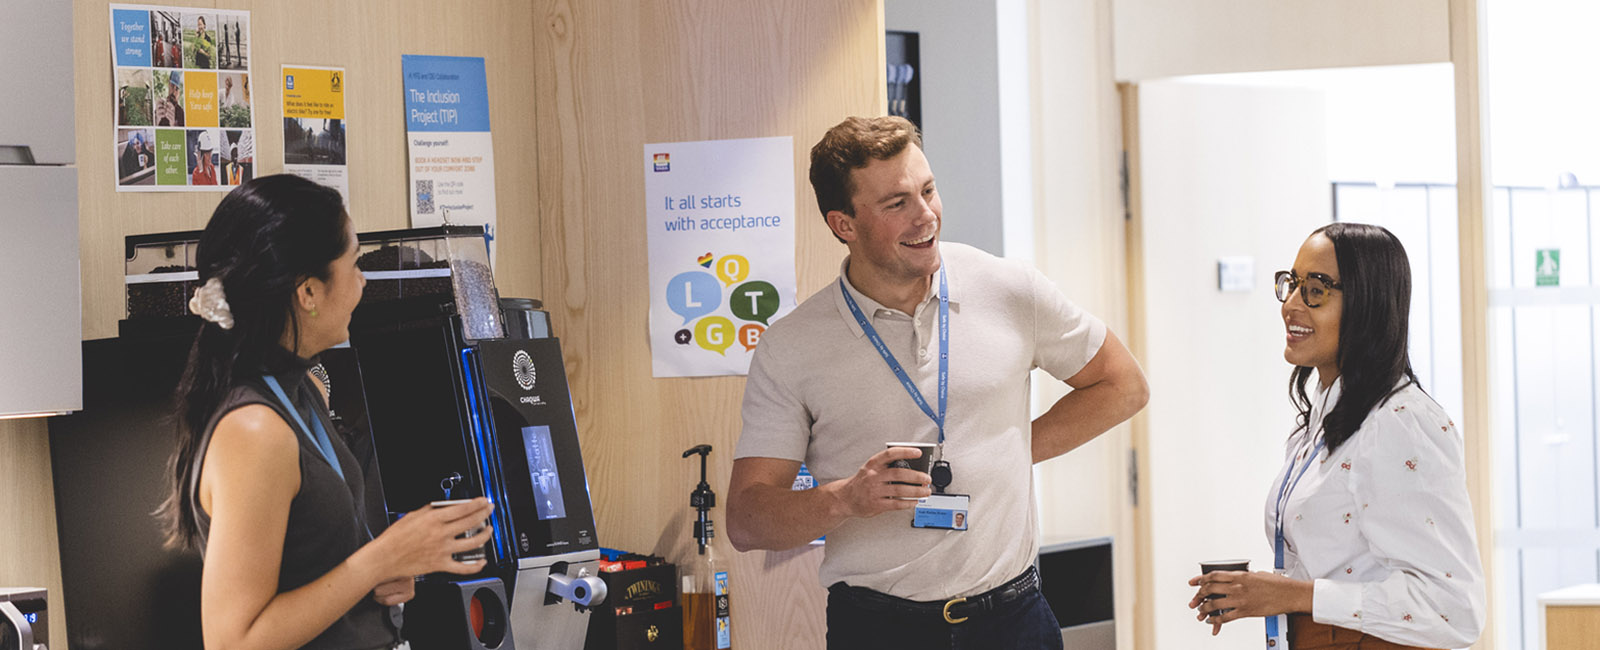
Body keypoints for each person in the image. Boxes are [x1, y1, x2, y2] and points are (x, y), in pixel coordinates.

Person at [726, 116, 1149, 650]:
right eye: (896, 203)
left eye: (927, 190)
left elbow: (1123, 385)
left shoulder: (1010, 289)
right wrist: (846, 499)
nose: (926, 215)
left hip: (1014, 620)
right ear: (844, 224)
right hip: (877, 630)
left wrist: (1009, 452)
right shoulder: (792, 346)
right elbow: (746, 520)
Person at [155, 175, 493, 650]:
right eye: (354, 264)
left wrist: (384, 574)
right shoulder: (255, 429)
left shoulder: (303, 387)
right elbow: (234, 641)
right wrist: (378, 560)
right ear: (308, 292)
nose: (363, 281)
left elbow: (311, 572)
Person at [1186, 223, 1485, 650]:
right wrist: (1259, 590)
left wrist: (1293, 594)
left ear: (1368, 304)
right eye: (1291, 284)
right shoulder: (1321, 422)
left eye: (1316, 289)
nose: (1291, 304)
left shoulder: (1400, 423)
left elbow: (1452, 608)